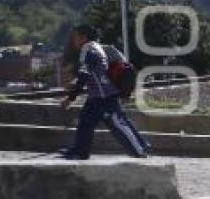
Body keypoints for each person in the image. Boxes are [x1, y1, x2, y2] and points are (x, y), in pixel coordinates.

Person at [58, 24, 150, 160]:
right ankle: (79, 151)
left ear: (83, 37)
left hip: (104, 97)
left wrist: (70, 98)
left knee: (118, 123)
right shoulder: (95, 47)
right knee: (85, 121)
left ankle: (140, 148)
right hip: (96, 96)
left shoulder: (88, 49)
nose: (73, 41)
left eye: (75, 37)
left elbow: (85, 75)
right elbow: (94, 72)